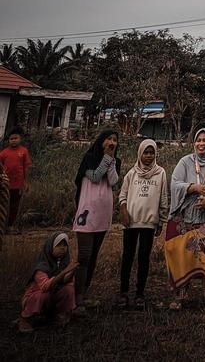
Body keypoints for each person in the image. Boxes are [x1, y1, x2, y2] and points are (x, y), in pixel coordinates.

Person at [165, 127, 205, 309]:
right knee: (183, 254)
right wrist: (192, 187)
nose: (201, 144)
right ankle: (180, 296)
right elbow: (175, 182)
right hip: (186, 217)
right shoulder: (185, 161)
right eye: (198, 140)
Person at [116, 139, 169, 308]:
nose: (148, 156)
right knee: (128, 257)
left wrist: (161, 220)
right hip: (131, 223)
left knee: (144, 258)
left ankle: (140, 294)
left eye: (151, 152)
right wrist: (123, 211)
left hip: (149, 223)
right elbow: (122, 196)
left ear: (155, 154)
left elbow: (163, 198)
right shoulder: (132, 173)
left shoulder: (160, 173)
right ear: (140, 153)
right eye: (145, 152)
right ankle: (123, 292)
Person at [72, 128, 120, 308]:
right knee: (84, 255)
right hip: (87, 212)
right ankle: (76, 295)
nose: (112, 142)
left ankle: (84, 293)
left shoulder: (115, 161)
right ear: (101, 141)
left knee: (93, 255)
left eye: (115, 139)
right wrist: (107, 159)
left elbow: (114, 181)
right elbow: (94, 176)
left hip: (103, 212)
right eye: (109, 138)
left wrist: (112, 162)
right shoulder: (89, 158)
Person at [19, 232, 77, 332]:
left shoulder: (64, 263)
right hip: (36, 298)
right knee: (44, 295)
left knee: (69, 289)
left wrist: (73, 270)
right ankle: (25, 319)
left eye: (65, 245)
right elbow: (45, 286)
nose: (62, 248)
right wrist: (64, 272)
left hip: (52, 297)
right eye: (58, 245)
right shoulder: (42, 266)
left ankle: (58, 315)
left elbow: (65, 281)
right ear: (50, 247)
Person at [0, 126, 32, 231]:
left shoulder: (23, 151)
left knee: (14, 206)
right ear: (8, 140)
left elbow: (27, 167)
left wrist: (26, 182)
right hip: (5, 185)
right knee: (3, 205)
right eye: (11, 139)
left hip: (18, 185)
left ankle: (10, 225)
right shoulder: (3, 153)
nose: (13, 141)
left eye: (15, 138)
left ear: (20, 139)